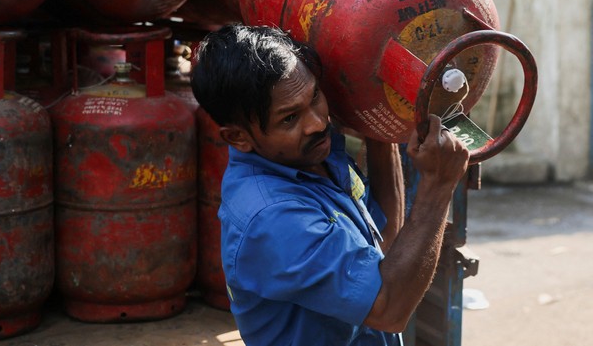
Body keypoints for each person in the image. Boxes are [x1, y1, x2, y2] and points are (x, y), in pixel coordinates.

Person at [190, 23, 470, 346]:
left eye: (314, 97)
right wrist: (438, 187)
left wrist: (378, 123)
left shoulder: (310, 156)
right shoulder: (272, 218)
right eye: (290, 118)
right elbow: (390, 309)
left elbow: (384, 245)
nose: (318, 122)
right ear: (238, 137)